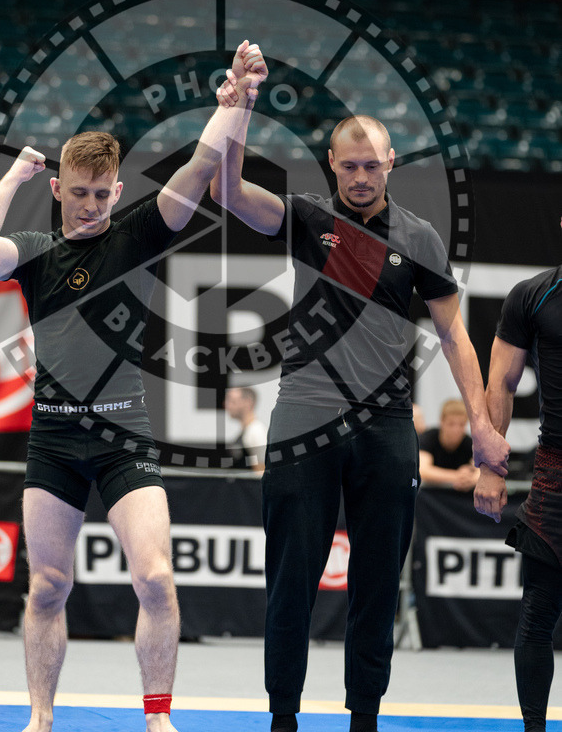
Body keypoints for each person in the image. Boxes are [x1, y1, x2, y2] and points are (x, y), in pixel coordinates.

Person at [0, 41, 267, 732]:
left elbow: (199, 167)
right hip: (56, 438)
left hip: (124, 433)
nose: (92, 205)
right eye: (80, 192)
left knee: (155, 577)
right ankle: (40, 717)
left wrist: (236, 100)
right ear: (59, 188)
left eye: (104, 193)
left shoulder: (137, 235)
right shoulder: (36, 252)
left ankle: (157, 717)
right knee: (48, 587)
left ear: (117, 192)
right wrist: (14, 178)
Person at [210, 93, 510, 732]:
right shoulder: (304, 217)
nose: (361, 177)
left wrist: (483, 428)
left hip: (385, 427)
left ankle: (364, 719)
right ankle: (283, 718)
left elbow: (456, 337)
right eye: (349, 166)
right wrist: (239, 109)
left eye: (372, 165)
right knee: (292, 580)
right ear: (331, 165)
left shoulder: (419, 238)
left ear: (391, 163)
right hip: (305, 418)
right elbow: (229, 192)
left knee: (376, 587)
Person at [475, 228, 562, 732]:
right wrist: (491, 466)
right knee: (536, 618)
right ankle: (534, 729)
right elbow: (501, 383)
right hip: (555, 479)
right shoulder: (534, 295)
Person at [418, 398, 479, 491]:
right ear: (442, 421)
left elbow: (481, 472)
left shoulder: (470, 443)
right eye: (451, 424)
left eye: (461, 424)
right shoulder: (429, 438)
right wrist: (457, 475)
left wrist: (470, 478)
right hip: (431, 495)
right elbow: (423, 471)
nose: (456, 430)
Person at [224, 385, 268, 471]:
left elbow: (261, 472)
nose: (227, 405)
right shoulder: (247, 431)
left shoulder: (256, 432)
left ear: (247, 402)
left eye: (232, 401)